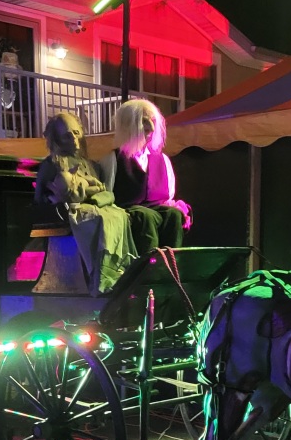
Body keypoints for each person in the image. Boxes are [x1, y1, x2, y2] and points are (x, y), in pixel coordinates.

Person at [34, 112, 136, 294]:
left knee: (120, 215)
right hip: (71, 212)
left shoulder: (91, 164)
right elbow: (41, 199)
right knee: (100, 219)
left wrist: (94, 195)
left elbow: (104, 192)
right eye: (67, 135)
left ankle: (119, 270)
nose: (74, 139)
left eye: (76, 133)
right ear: (57, 139)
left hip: (95, 205)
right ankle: (101, 275)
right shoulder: (52, 164)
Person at [98, 99, 192, 253]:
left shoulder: (162, 159)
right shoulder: (113, 159)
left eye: (153, 121)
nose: (151, 128)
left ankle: (173, 260)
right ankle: (148, 263)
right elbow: (107, 195)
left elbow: (168, 196)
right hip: (130, 213)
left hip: (154, 210)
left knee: (173, 215)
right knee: (144, 217)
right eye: (143, 121)